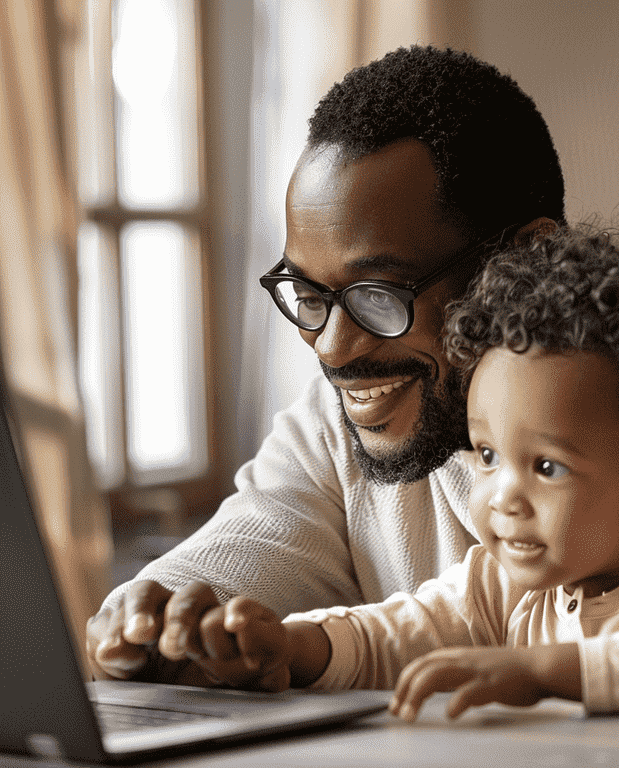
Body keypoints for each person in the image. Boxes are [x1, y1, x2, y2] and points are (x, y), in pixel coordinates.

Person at [86, 45, 566, 684]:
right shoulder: (335, 424)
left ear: (528, 262)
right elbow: (255, 546)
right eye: (310, 296)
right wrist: (165, 617)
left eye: (377, 294)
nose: (332, 349)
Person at [187, 224, 619, 719]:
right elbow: (394, 636)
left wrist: (543, 671)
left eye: (545, 466)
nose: (500, 498)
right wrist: (291, 645)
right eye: (487, 456)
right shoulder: (502, 584)